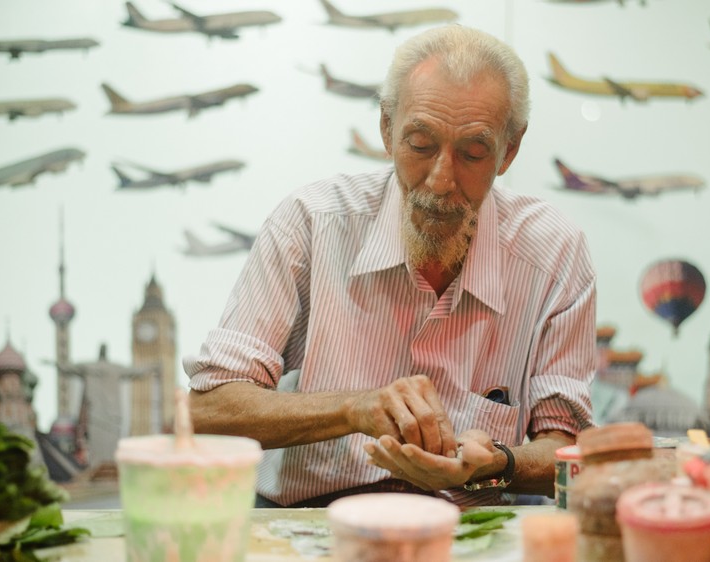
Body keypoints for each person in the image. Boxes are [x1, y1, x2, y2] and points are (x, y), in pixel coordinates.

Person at [184, 24, 597, 508]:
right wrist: (354, 408)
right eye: (420, 145)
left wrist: (500, 464)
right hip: (313, 520)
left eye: (473, 153)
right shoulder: (310, 224)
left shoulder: (552, 253)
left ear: (509, 150)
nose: (442, 181)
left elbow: (568, 451)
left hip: (469, 526)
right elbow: (207, 409)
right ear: (386, 129)